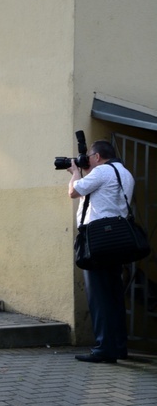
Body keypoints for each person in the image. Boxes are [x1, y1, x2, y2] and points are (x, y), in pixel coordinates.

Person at [67, 140, 133, 363]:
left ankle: (104, 348)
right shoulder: (124, 173)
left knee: (98, 296)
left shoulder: (102, 171)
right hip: (117, 240)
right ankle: (119, 347)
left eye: (90, 158)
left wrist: (75, 172)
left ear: (96, 157)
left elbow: (74, 192)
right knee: (114, 295)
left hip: (98, 240)